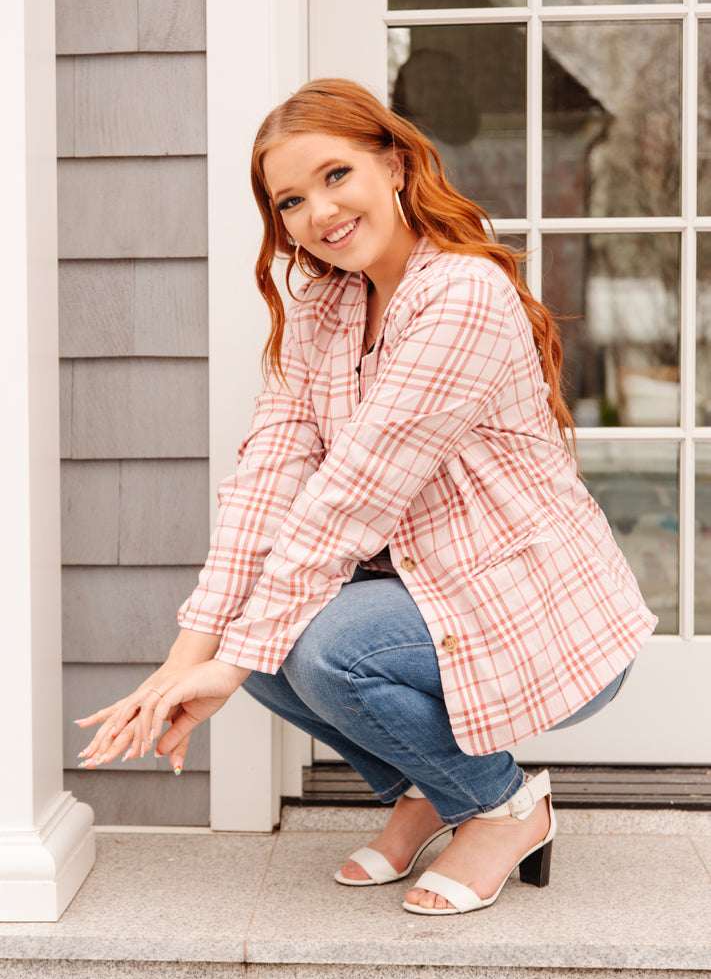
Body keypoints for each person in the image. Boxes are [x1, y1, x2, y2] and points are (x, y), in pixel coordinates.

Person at [76, 78, 657, 916]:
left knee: (316, 647)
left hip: (532, 603)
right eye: (291, 199)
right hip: (427, 591)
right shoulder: (323, 309)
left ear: (394, 162)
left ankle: (502, 807)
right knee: (256, 641)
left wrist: (231, 657)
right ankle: (430, 789)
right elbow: (267, 484)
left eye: (336, 174)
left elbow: (350, 497)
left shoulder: (460, 294)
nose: (318, 211)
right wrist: (184, 661)